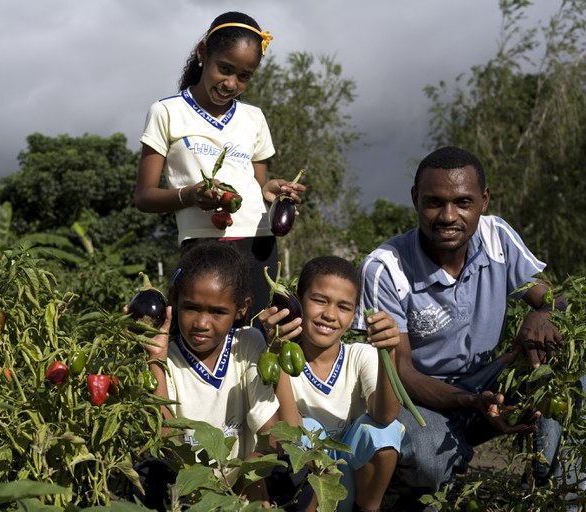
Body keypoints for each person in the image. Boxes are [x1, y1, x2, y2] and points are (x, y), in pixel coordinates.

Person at [355, 145, 586, 504]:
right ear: (415, 199)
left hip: (487, 385)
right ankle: (412, 479)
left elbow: (554, 299)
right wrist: (471, 402)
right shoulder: (385, 267)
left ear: (484, 200)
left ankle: (561, 491)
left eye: (463, 202)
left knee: (573, 358)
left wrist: (541, 315)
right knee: (429, 457)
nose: (449, 216)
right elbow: (400, 371)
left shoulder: (497, 237)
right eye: (434, 202)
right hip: (421, 401)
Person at [134, 11, 305, 321]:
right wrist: (190, 195)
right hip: (202, 244)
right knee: (200, 334)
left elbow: (259, 187)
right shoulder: (167, 112)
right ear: (203, 53)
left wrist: (273, 192)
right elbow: (144, 197)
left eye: (244, 76)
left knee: (257, 334)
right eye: (224, 68)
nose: (231, 83)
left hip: (258, 244)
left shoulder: (254, 118)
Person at [136, 241, 281, 509]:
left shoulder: (247, 344)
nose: (202, 323)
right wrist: (155, 358)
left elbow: (271, 431)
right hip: (185, 490)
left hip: (241, 488)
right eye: (191, 308)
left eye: (217, 312)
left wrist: (252, 472)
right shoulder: (166, 358)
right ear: (175, 303)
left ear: (241, 308)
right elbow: (166, 444)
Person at [260, 255, 405, 512]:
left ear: (354, 315)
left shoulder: (360, 355)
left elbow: (386, 415)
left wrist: (388, 352)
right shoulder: (278, 358)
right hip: (307, 483)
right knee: (308, 429)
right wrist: (278, 350)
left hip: (352, 481)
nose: (329, 315)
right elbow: (291, 432)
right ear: (297, 301)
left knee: (384, 430)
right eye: (319, 300)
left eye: (344, 307)